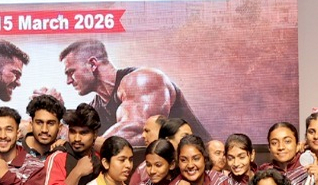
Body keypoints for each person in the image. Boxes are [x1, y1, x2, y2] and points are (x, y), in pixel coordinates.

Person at [57, 37, 210, 144]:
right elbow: (69, 136)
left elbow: (137, 130)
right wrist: (55, 110)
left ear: (92, 64)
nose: (68, 81)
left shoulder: (143, 80)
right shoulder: (95, 107)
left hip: (203, 173)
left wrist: (79, 141)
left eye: (71, 72)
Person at [41, 102, 102, 185]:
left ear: (94, 134)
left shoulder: (100, 158)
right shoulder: (58, 157)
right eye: (73, 132)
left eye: (84, 133)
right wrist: (77, 172)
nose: (77, 138)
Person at [267, 121, 314, 185]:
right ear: (269, 148)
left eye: (287, 141)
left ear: (297, 145)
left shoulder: (309, 167)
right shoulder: (265, 172)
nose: (281, 147)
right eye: (274, 143)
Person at [24, 93, 65, 159]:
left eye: (51, 123)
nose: (44, 130)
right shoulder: (14, 150)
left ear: (59, 127)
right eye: (39, 123)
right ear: (31, 124)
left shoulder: (65, 152)